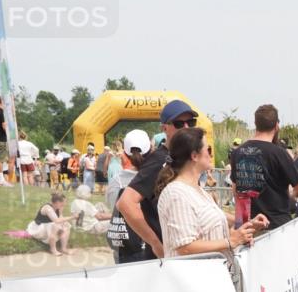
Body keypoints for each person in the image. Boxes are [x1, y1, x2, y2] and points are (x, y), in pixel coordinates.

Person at [157, 128, 268, 258]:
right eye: (208, 150)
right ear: (194, 156)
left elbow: (215, 220)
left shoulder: (198, 190)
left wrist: (247, 224)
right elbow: (185, 247)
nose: (211, 155)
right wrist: (230, 241)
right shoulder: (176, 194)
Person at [229, 103, 298, 229]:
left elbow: (236, 190)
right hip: (276, 227)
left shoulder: (237, 152)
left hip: (248, 227)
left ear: (256, 124)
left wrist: (242, 221)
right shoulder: (279, 153)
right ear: (276, 126)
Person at [117, 99, 197, 260]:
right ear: (165, 128)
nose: (186, 127)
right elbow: (125, 203)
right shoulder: (159, 160)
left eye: (191, 122)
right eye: (179, 124)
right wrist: (156, 244)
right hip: (164, 258)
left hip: (185, 252)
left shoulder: (182, 160)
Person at [107, 129, 154, 264]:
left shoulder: (116, 181)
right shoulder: (156, 177)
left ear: (126, 153)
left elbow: (114, 209)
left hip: (125, 246)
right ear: (150, 149)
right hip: (151, 246)